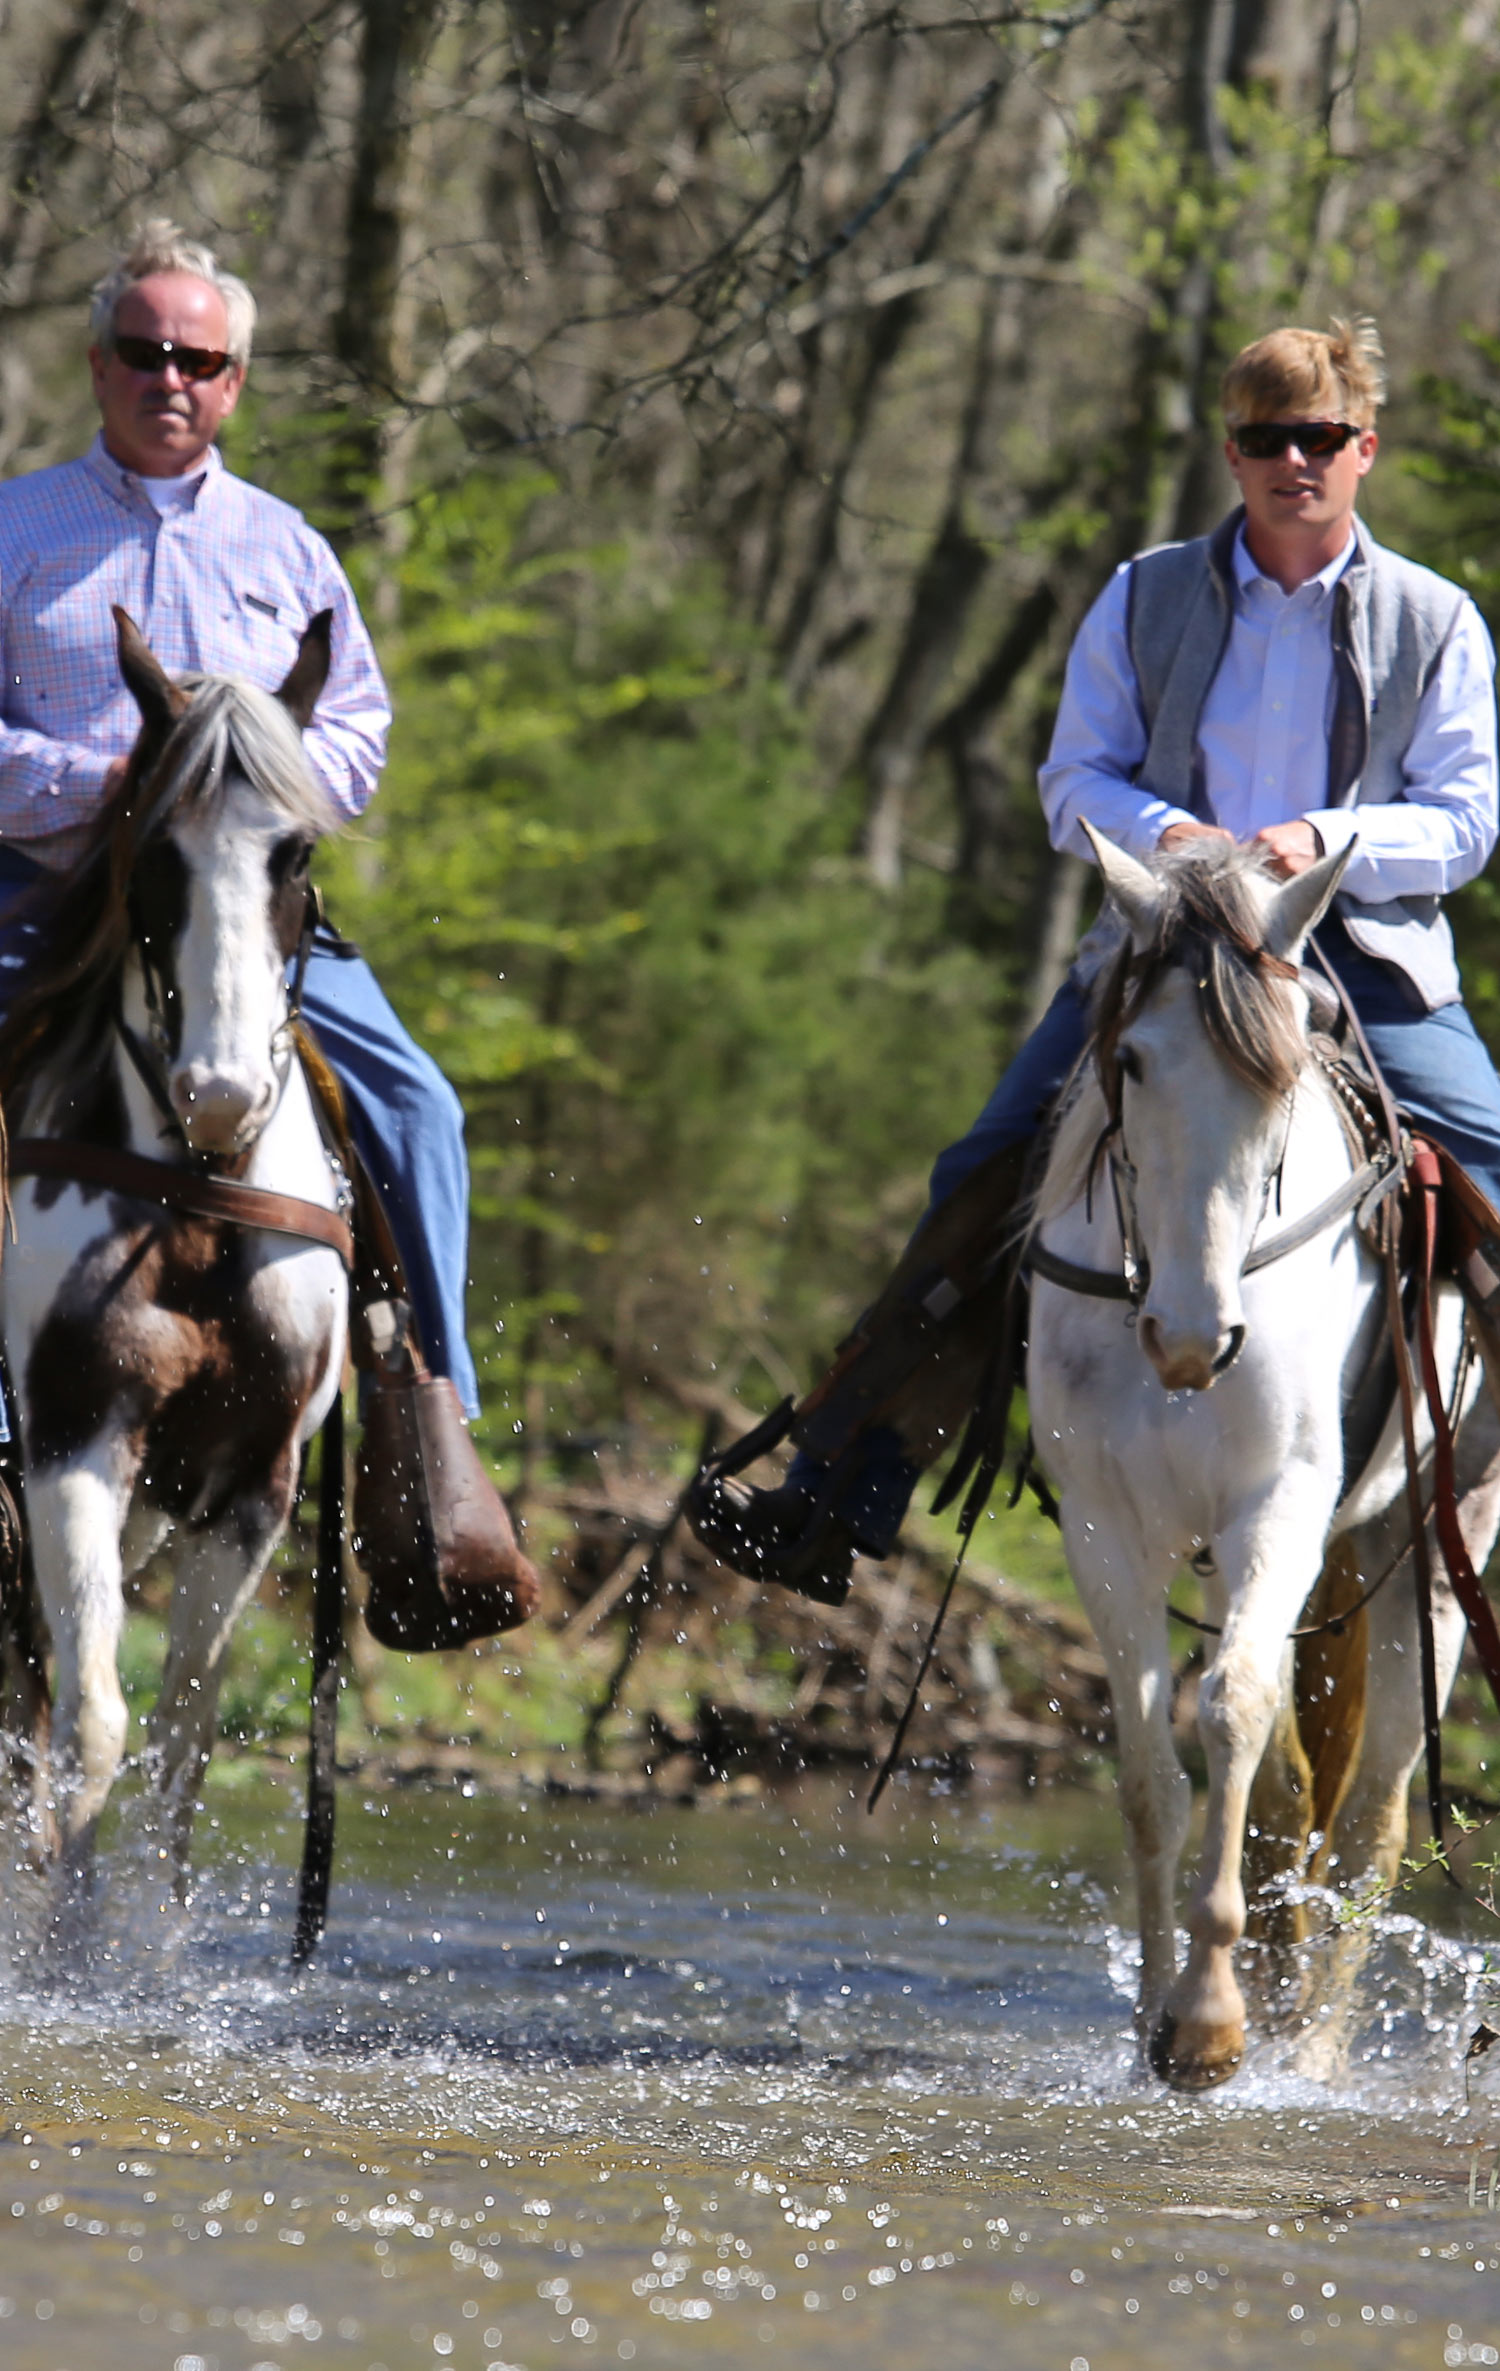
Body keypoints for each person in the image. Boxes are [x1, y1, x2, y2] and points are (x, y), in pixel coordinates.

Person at [694, 315, 1500, 1601]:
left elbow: (1465, 822)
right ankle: (842, 1478)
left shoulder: (1436, 617)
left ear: (1366, 450)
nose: (1295, 461)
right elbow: (1073, 777)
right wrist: (1168, 832)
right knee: (984, 1168)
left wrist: (1319, 838)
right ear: (1231, 453)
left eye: (1320, 438)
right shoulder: (1146, 589)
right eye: (1265, 438)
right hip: (1167, 941)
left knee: (1497, 1166)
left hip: (1363, 957)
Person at [0, 218, 478, 1418]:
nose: (172, 377)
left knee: (419, 1105)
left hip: (248, 916)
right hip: (38, 893)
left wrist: (266, 791)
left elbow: (359, 725)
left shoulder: (290, 549)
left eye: (199, 361)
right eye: (145, 350)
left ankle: (432, 1426)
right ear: (99, 362)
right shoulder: (14, 532)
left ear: (235, 381)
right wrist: (101, 781)